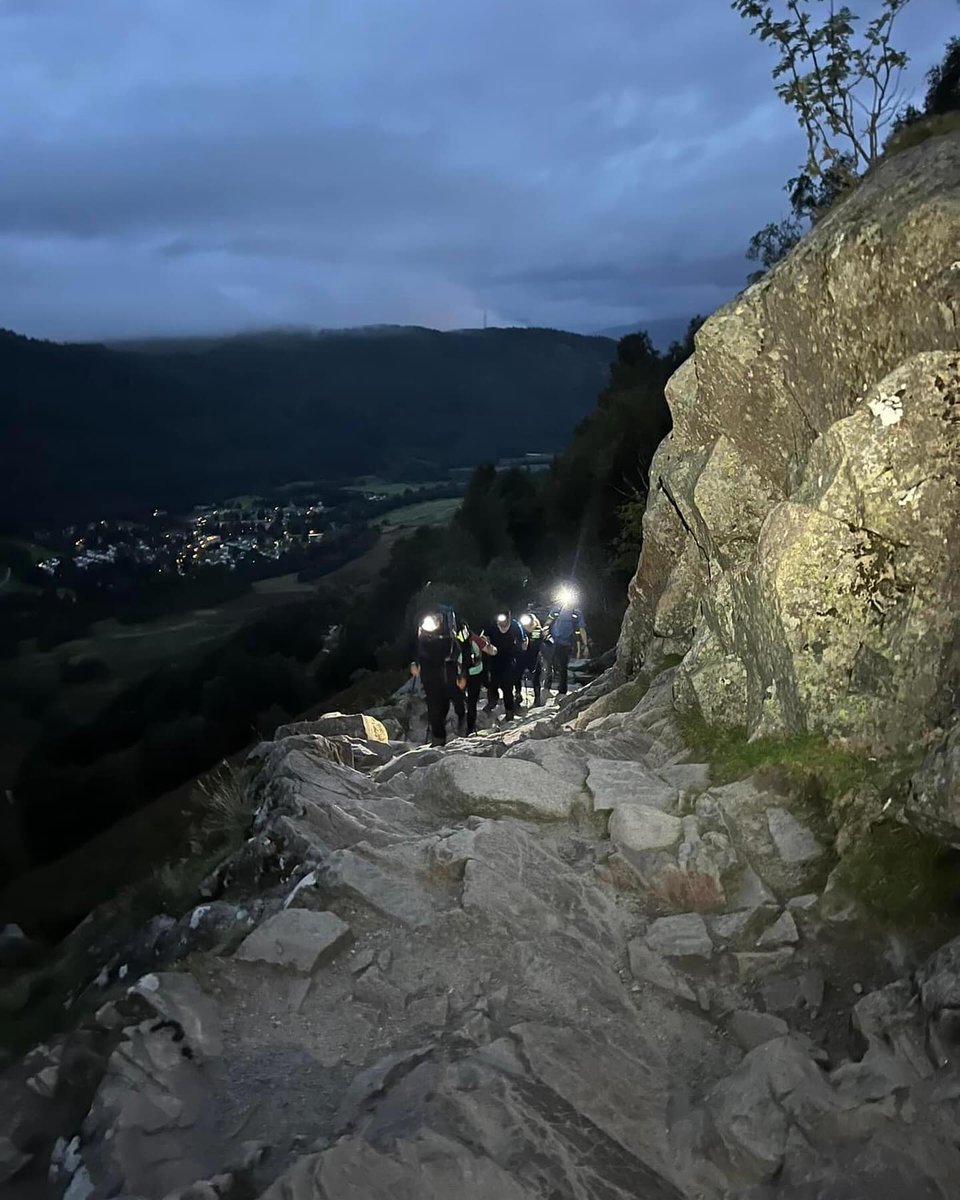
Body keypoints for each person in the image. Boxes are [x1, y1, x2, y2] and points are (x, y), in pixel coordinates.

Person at [410, 605, 465, 747]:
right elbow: (418, 653)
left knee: (454, 703)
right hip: (431, 678)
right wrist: (415, 664)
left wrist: (461, 675)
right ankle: (438, 740)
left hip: (449, 677)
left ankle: (462, 722)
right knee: (434, 710)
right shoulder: (423, 639)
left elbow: (458, 653)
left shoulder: (450, 640)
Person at [482, 609, 527, 719]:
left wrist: (522, 649)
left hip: (509, 658)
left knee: (507, 686)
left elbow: (522, 640)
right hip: (495, 658)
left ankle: (509, 711)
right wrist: (487, 644)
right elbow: (484, 637)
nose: (502, 622)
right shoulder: (493, 626)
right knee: (493, 684)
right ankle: (492, 703)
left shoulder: (515, 626)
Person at [457, 620, 497, 734]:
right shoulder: (474, 638)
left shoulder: (451, 640)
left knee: (460, 700)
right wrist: (491, 646)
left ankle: (461, 722)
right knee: (472, 702)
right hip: (475, 673)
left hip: (458, 674)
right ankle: (470, 728)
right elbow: (492, 651)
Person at [544, 599, 588, 696]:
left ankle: (562, 691)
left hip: (567, 644)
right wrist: (545, 633)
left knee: (563, 667)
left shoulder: (577, 614)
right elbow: (548, 623)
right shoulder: (557, 610)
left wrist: (585, 645)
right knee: (550, 664)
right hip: (553, 642)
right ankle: (546, 688)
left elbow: (581, 629)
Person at [515, 610, 544, 708]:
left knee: (535, 679)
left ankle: (537, 699)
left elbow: (534, 645)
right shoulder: (521, 631)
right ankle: (518, 695)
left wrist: (527, 642)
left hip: (534, 657)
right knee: (517, 676)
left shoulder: (537, 630)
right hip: (521, 657)